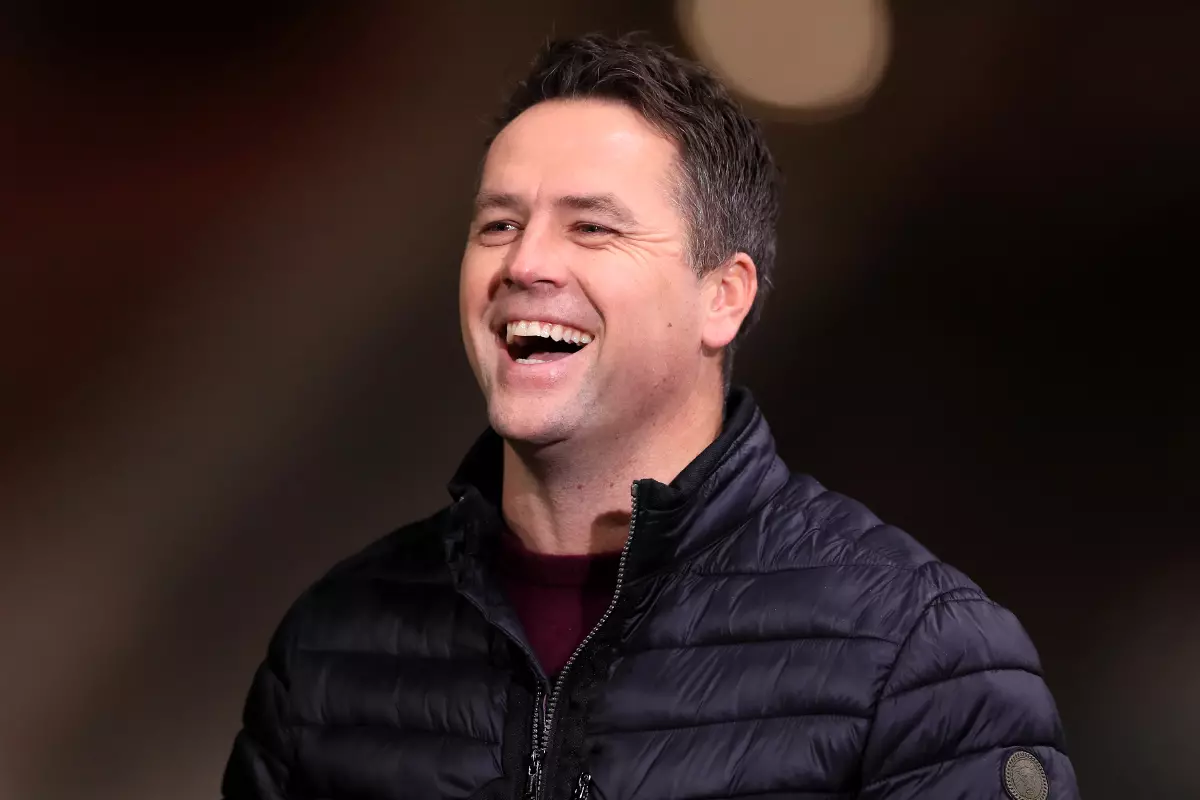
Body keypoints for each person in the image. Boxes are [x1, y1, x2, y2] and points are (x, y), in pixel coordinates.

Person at [223, 33, 1079, 800]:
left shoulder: (922, 656)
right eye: (498, 224)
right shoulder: (330, 648)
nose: (524, 262)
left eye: (591, 227)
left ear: (725, 298)